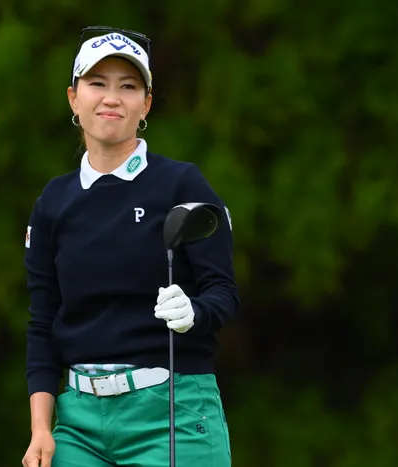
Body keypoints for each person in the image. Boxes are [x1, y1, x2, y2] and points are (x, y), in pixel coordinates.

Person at [21, 26, 239, 467]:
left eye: (128, 86)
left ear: (146, 104)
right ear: (73, 99)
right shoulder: (53, 202)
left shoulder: (181, 183)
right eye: (97, 83)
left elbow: (223, 292)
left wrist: (194, 313)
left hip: (173, 410)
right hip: (78, 422)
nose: (112, 98)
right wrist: (41, 429)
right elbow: (43, 321)